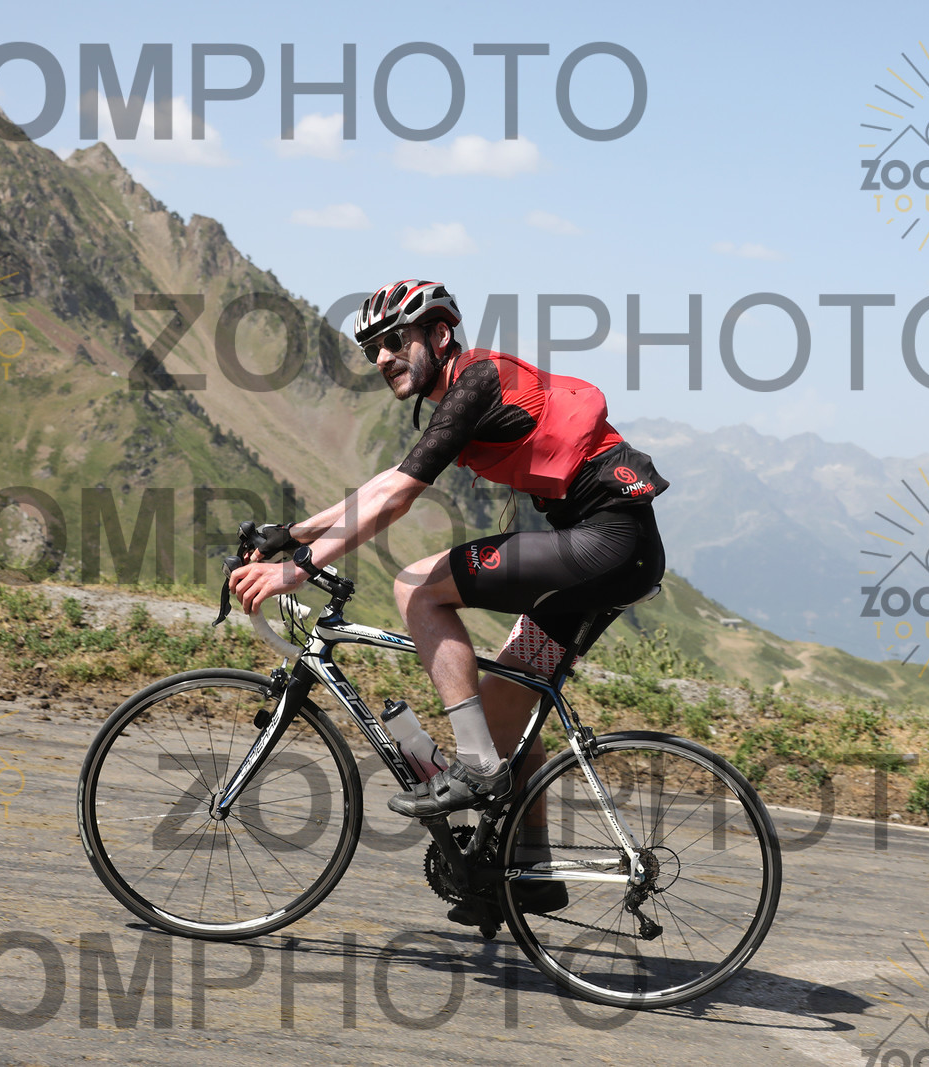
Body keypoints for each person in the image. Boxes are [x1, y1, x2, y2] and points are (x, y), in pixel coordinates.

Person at [228, 280, 667, 911]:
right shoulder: (468, 388)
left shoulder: (478, 380)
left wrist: (299, 568)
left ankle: (477, 767)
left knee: (417, 587)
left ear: (439, 335)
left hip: (605, 543)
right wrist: (294, 533)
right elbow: (390, 480)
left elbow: (398, 498)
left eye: (395, 340)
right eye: (373, 350)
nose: (383, 358)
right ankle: (530, 870)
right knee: (505, 706)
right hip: (615, 552)